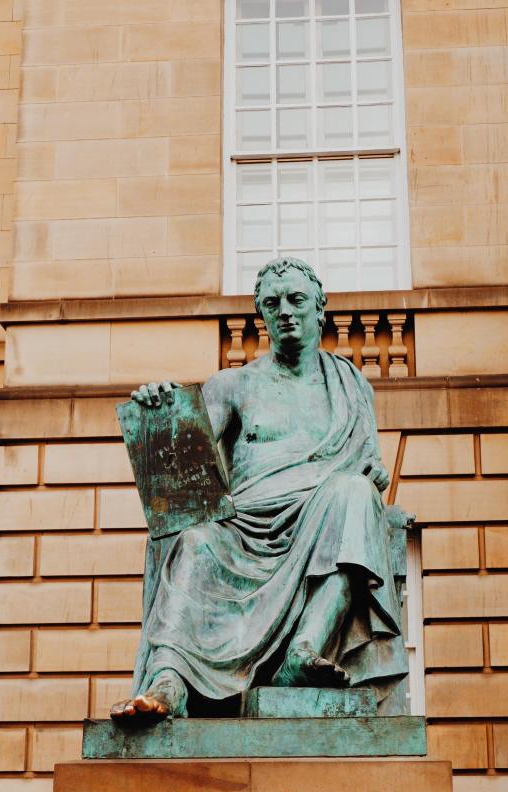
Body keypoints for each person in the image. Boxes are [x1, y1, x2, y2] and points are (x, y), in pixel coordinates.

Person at [111, 257, 406, 720]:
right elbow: (182, 469)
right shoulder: (233, 385)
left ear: (320, 308)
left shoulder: (351, 387)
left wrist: (373, 477)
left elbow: (371, 469)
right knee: (195, 541)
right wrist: (162, 413)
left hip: (318, 520)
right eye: (273, 303)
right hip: (243, 529)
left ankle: (305, 648)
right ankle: (169, 681)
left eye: (297, 299)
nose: (285, 311)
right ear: (262, 315)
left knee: (354, 493)